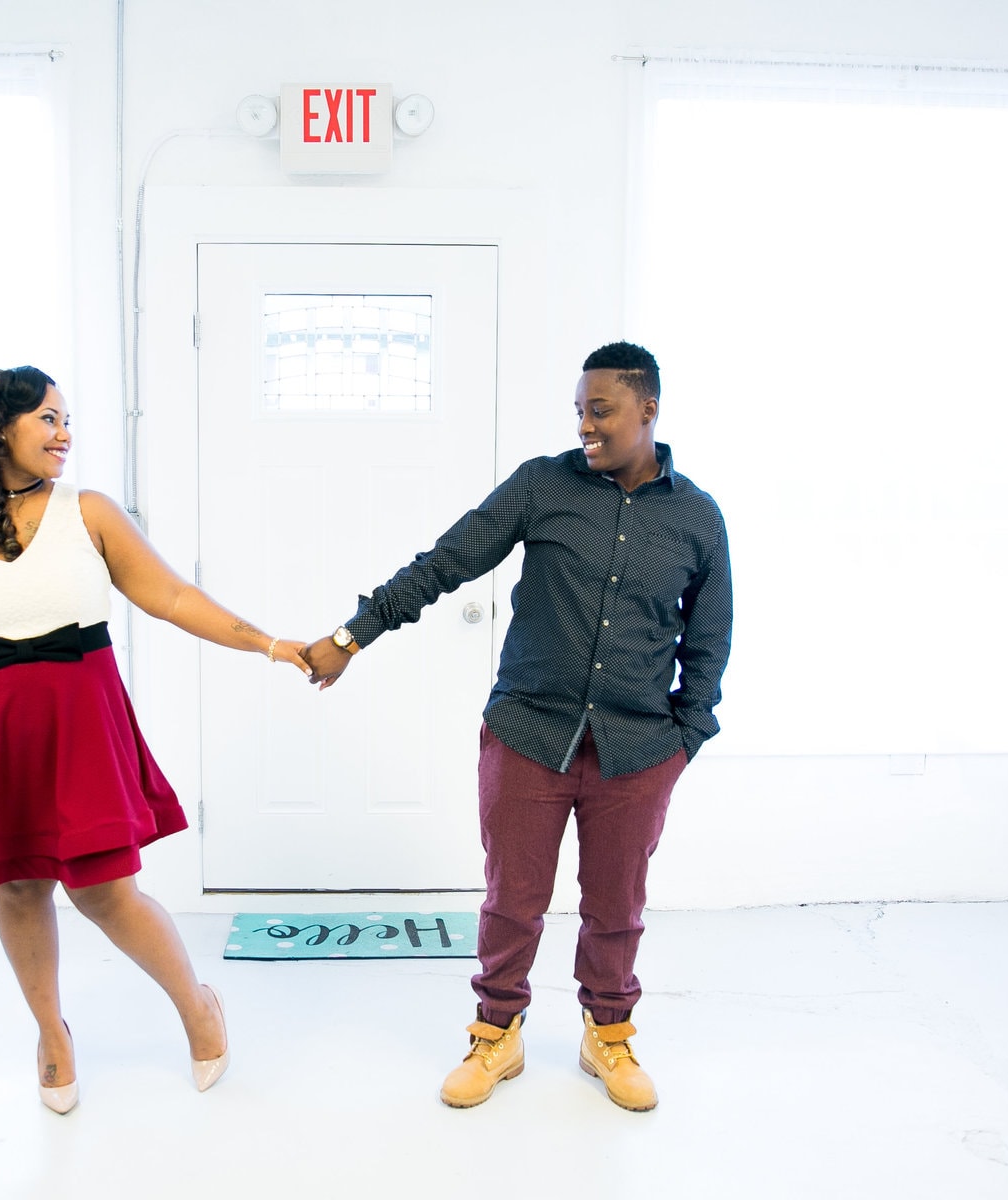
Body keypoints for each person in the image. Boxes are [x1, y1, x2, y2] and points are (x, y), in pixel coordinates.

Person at [303, 342, 731, 1111]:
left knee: (616, 907)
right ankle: (496, 1034)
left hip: (636, 749)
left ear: (648, 411)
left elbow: (709, 638)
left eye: (600, 411)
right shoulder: (544, 485)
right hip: (529, 732)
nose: (586, 427)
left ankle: (610, 1036)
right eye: (578, 412)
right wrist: (354, 634)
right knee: (512, 899)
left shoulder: (697, 518)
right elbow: (445, 562)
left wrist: (684, 739)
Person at [0, 365, 310, 1115]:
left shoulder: (89, 512)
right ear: (1, 428)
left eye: (66, 418)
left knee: (104, 890)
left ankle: (196, 1004)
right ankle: (51, 1034)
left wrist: (269, 644)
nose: (63, 433)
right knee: (17, 885)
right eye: (48, 418)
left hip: (78, 723)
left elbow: (172, 596)